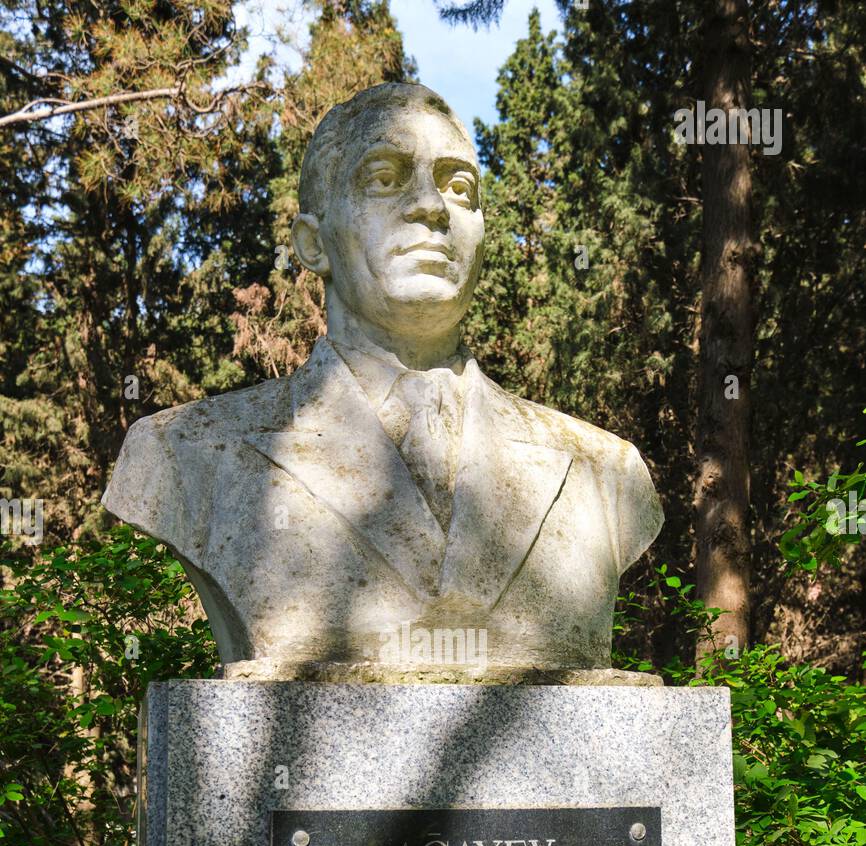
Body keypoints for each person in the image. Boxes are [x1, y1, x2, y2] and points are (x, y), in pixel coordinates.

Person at [103, 82, 663, 672]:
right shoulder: (184, 454)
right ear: (313, 244)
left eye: (458, 187)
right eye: (385, 178)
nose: (430, 207)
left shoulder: (606, 473)